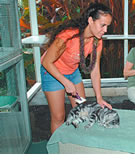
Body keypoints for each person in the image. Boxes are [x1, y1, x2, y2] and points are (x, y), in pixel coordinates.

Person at [41, 3, 113, 133]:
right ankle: (57, 150)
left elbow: (95, 71)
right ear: (90, 20)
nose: (105, 30)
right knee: (58, 116)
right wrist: (65, 82)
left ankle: (76, 145)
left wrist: (99, 98)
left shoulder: (97, 41)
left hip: (72, 73)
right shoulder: (67, 36)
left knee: (81, 111)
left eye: (107, 26)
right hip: (52, 73)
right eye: (103, 25)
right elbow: (46, 62)